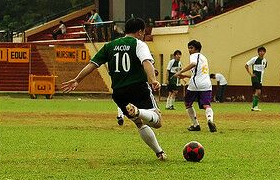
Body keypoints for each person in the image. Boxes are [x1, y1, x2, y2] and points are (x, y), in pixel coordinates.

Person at [60, 17, 166, 160]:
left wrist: (77, 80)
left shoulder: (110, 45)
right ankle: (139, 111)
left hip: (119, 92)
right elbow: (146, 61)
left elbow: (93, 64)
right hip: (138, 87)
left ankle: (159, 152)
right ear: (140, 32)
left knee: (139, 123)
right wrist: (153, 80)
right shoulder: (138, 44)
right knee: (157, 121)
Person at [173, 40, 217, 133]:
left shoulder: (193, 56)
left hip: (195, 84)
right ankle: (210, 120)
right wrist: (185, 76)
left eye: (191, 48)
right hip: (207, 84)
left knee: (188, 103)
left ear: (196, 49)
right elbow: (198, 73)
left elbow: (193, 64)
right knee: (206, 105)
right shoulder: (204, 58)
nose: (189, 50)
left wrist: (181, 72)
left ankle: (196, 124)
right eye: (188, 48)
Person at [245, 46, 267, 111]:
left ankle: (254, 106)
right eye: (260, 51)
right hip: (255, 78)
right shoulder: (254, 59)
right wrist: (250, 74)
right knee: (258, 91)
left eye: (263, 51)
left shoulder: (265, 61)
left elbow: (263, 68)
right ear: (258, 52)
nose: (261, 52)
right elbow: (246, 65)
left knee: (258, 92)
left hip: (260, 79)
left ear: (265, 52)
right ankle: (255, 106)